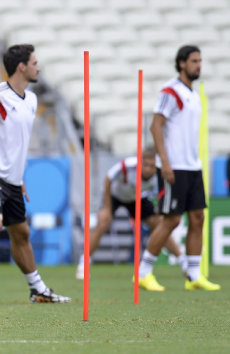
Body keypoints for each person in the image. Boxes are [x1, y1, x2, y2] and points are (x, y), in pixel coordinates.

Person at [0, 44, 71, 305]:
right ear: (22, 66)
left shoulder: (31, 99)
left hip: (11, 180)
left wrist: (18, 178)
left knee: (21, 233)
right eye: (34, 62)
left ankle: (38, 290)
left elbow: (15, 143)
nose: (38, 67)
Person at [138, 45, 220, 291]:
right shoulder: (170, 91)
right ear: (182, 63)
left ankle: (194, 276)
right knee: (171, 220)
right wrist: (165, 162)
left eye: (200, 61)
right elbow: (155, 126)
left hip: (193, 166)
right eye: (194, 61)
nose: (199, 65)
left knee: (198, 217)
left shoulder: (194, 94)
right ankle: (144, 271)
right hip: (175, 166)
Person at [75, 148, 186, 280]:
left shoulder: (160, 173)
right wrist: (107, 207)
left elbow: (162, 194)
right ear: (140, 163)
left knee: (160, 226)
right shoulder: (126, 166)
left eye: (152, 166)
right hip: (115, 195)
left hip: (137, 198)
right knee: (102, 223)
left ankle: (183, 261)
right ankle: (83, 263)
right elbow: (108, 179)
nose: (149, 169)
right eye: (146, 165)